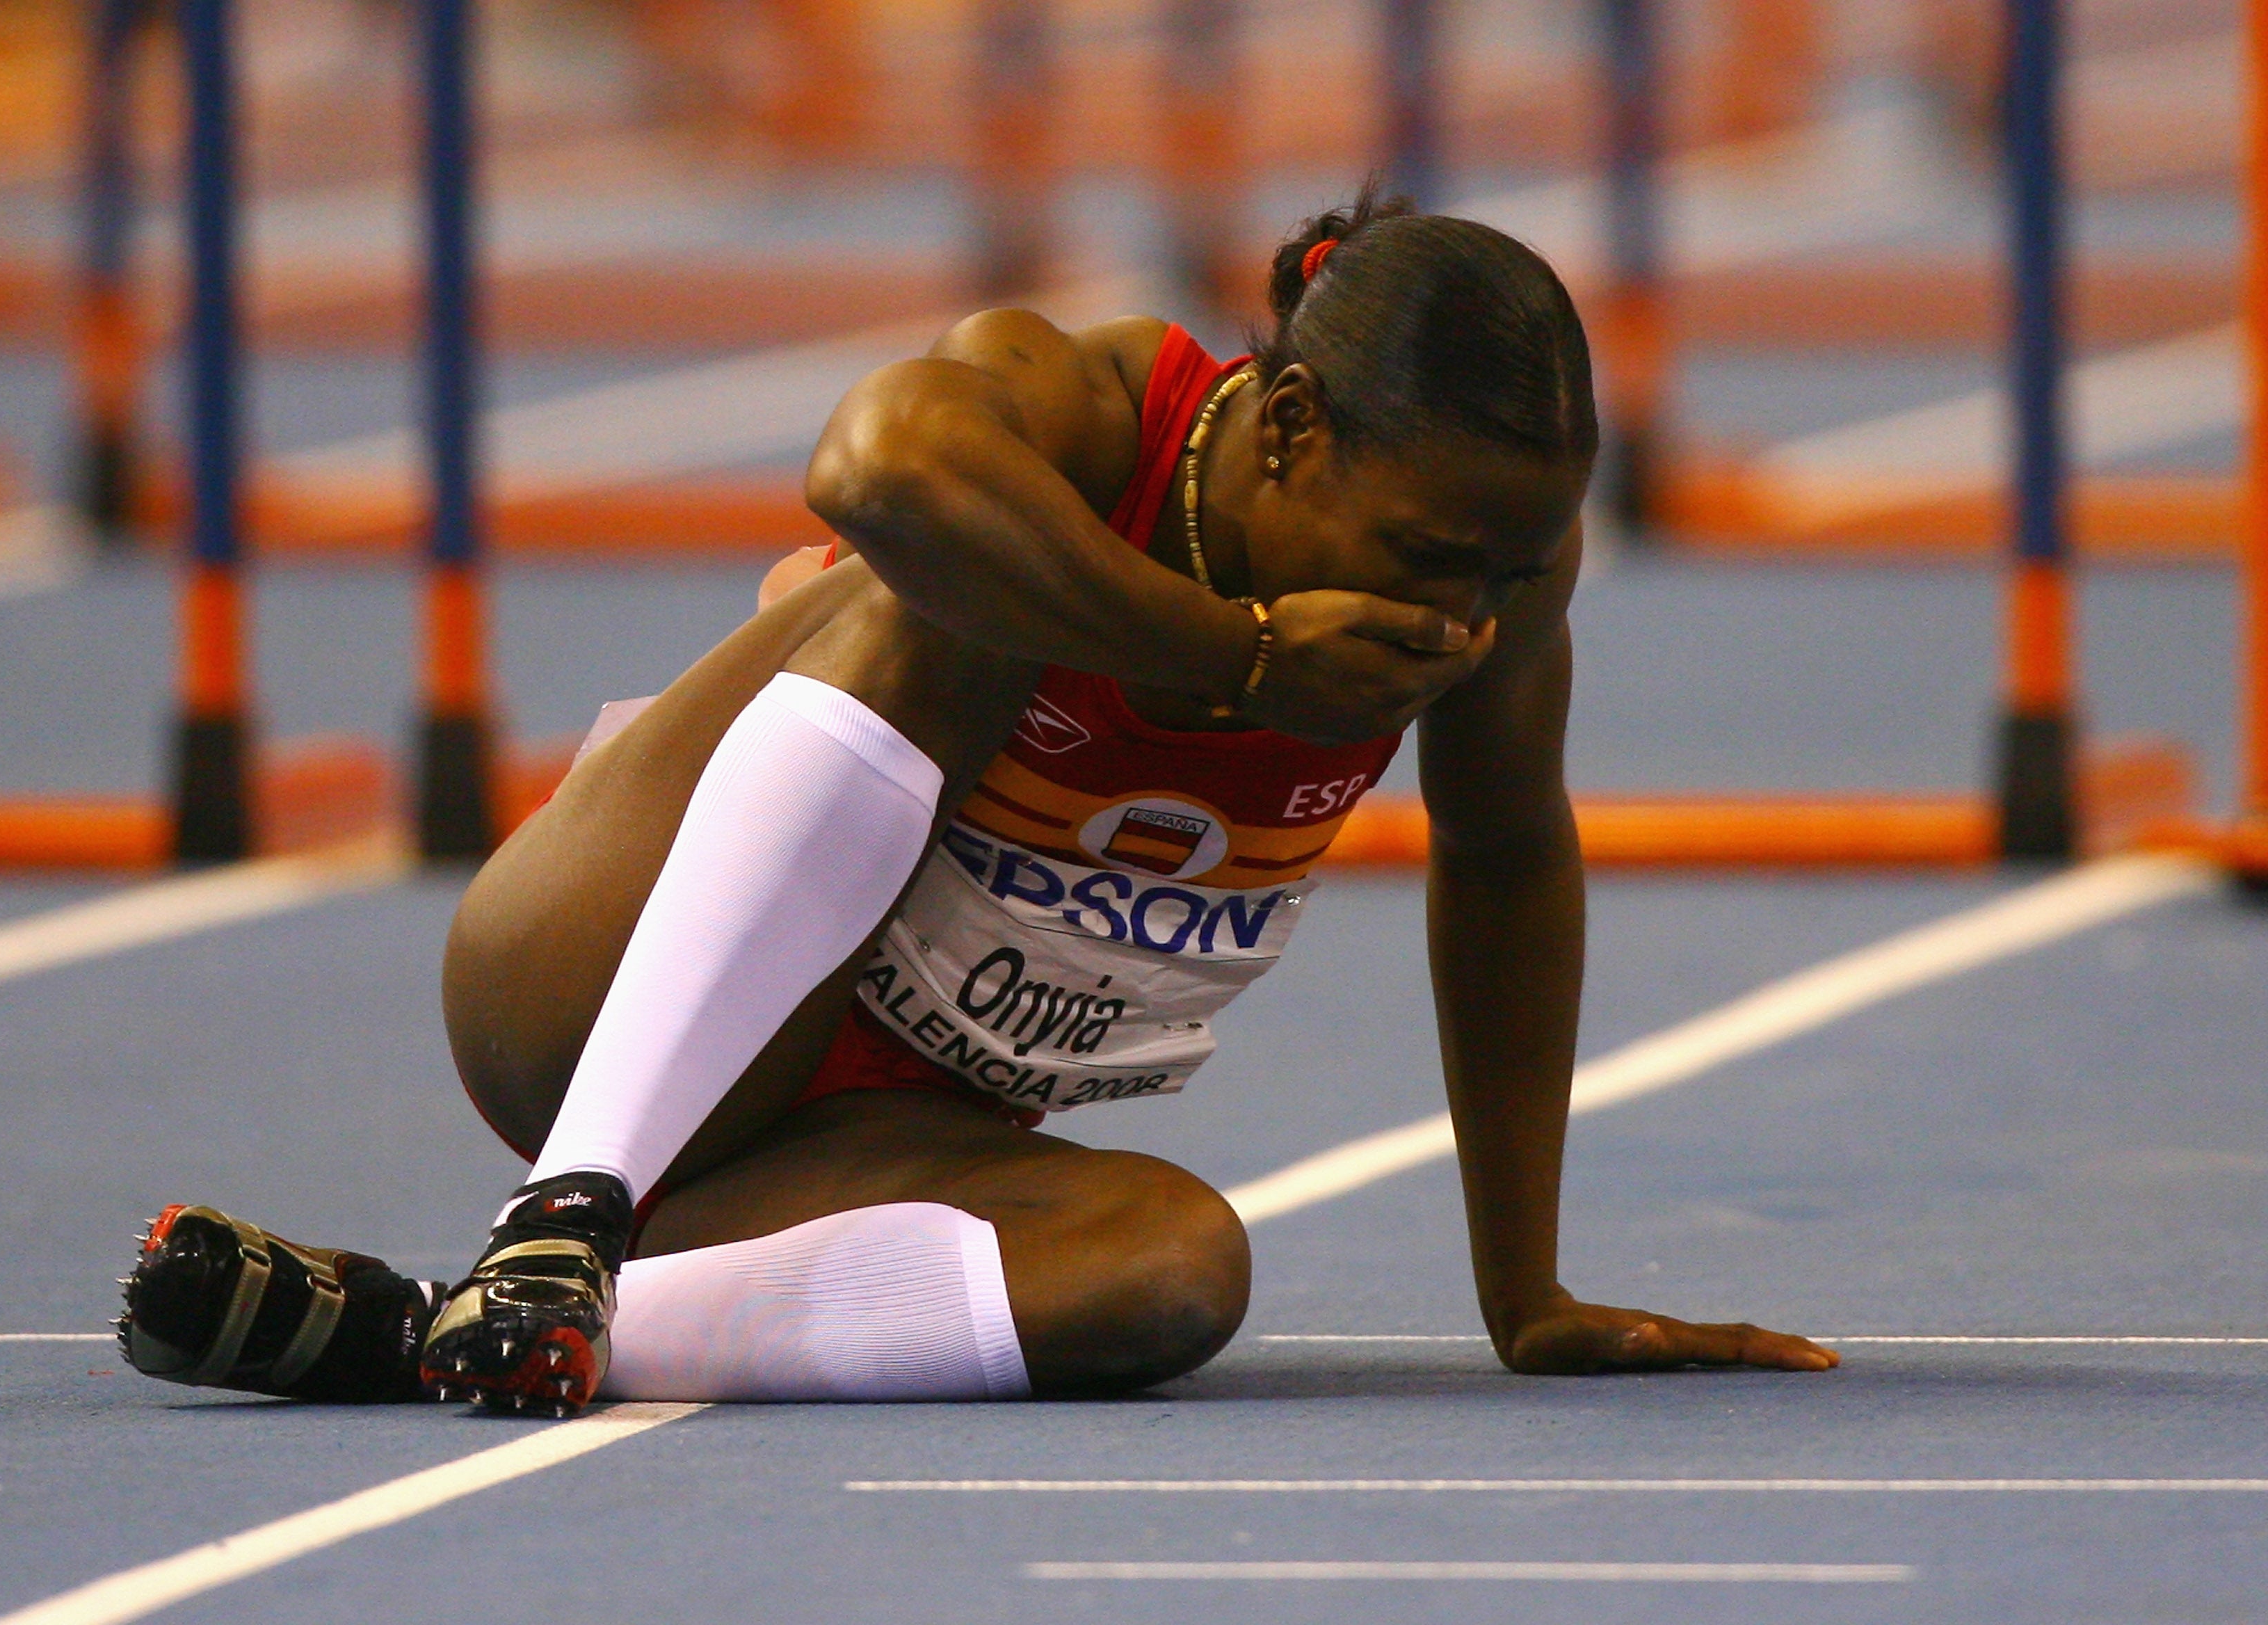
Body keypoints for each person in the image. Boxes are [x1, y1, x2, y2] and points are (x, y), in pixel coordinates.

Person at [116, 191, 1839, 1416]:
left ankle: (454, 1329)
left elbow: (1512, 852)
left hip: (861, 1139)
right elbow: (868, 467)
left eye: (1515, 565)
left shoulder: (1491, 588)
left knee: (1178, 1268)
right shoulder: (1096, 407)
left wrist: (1523, 1297)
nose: (1468, 609)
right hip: (596, 995)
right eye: (1430, 555)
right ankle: (568, 1213)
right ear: (1293, 428)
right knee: (950, 580)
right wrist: (1239, 655)